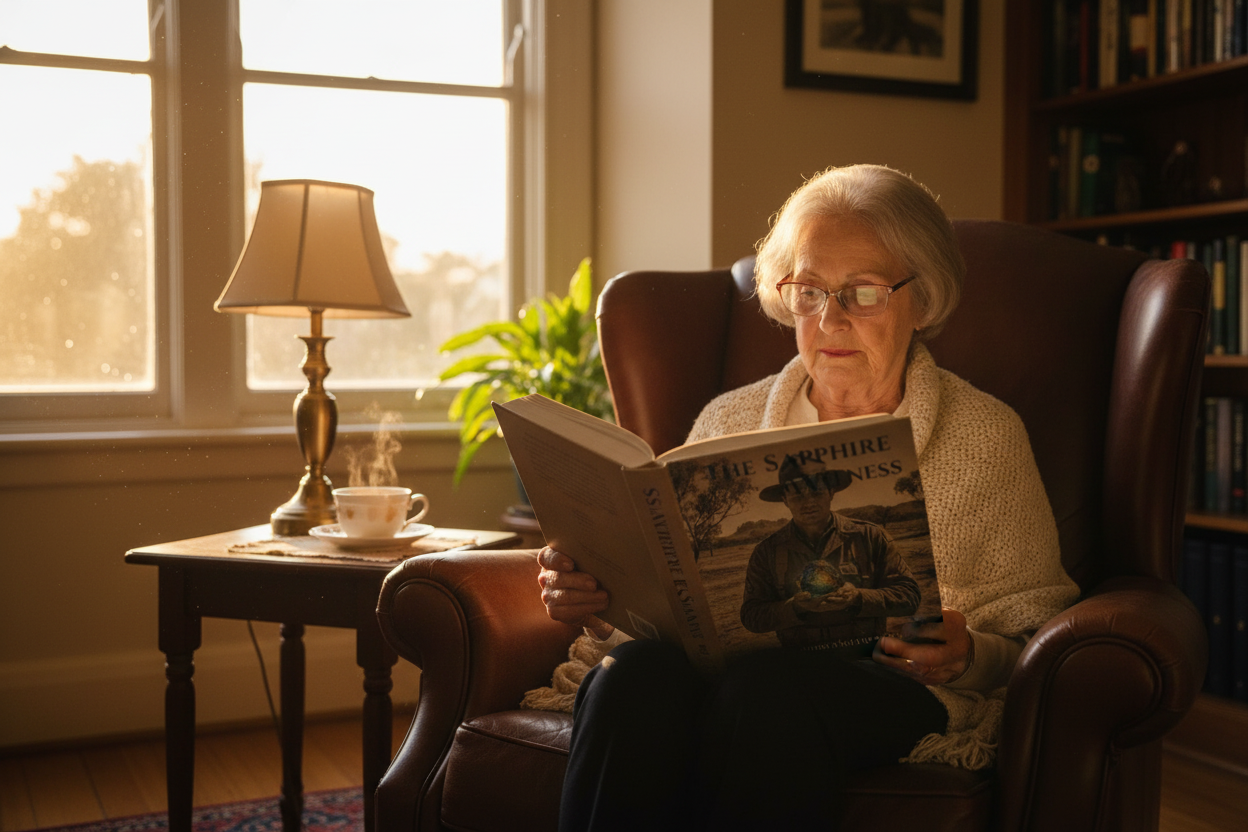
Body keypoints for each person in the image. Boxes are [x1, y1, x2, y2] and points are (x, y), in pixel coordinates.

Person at [536, 164, 1079, 831]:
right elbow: (674, 589)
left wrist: (968, 655)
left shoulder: (985, 435)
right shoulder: (728, 419)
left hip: (889, 682)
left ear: (922, 300)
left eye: (864, 292)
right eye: (810, 291)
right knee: (631, 674)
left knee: (767, 692)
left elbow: (1034, 627)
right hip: (729, 666)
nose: (831, 318)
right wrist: (600, 598)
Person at [739, 455, 921, 651]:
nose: (808, 503)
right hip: (803, 662)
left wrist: (858, 597)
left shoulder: (870, 536)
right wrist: (794, 607)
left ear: (831, 492)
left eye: (816, 493)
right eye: (798, 496)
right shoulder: (767, 552)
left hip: (867, 655)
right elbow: (751, 616)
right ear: (785, 500)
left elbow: (909, 596)